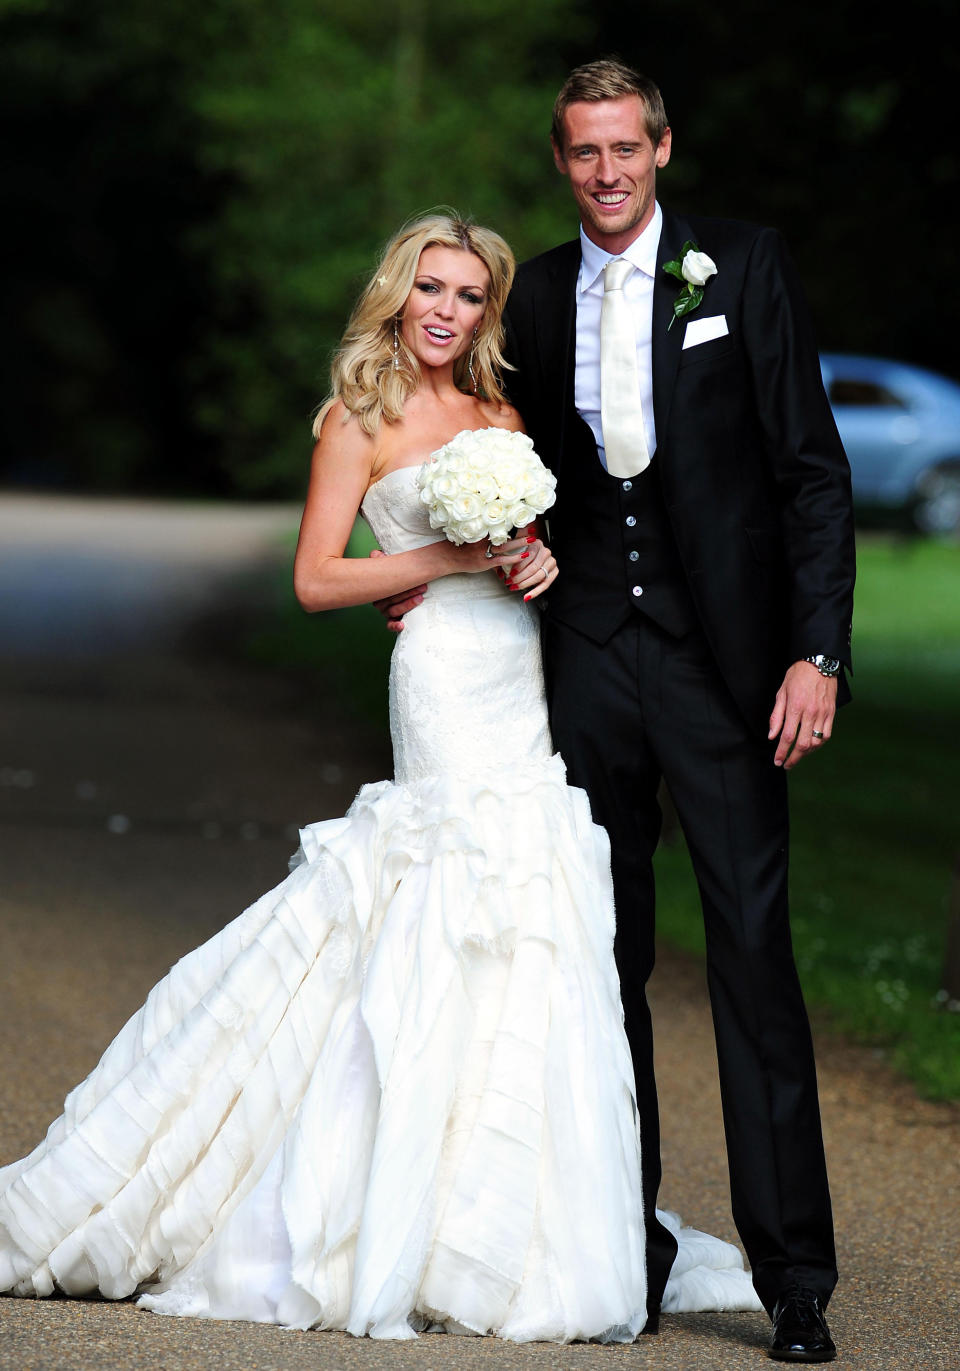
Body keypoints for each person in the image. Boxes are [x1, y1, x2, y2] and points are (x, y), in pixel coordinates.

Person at [0, 213, 764, 1341]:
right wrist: (440, 561)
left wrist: (533, 559)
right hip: (444, 678)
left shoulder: (504, 412)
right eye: (431, 289)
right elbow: (317, 578)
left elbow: (530, 549)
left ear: (486, 308)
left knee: (527, 916)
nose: (447, 311)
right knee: (443, 898)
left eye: (468, 294)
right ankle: (374, 1196)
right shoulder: (356, 419)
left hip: (519, 674)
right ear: (398, 296)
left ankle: (497, 1206)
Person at [502, 60, 856, 1363]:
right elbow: (506, 456)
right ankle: (624, 1246)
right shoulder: (535, 293)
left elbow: (813, 472)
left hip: (726, 670)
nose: (605, 172)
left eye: (624, 149)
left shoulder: (742, 267)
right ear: (563, 160)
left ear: (662, 147)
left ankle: (796, 1276)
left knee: (753, 953)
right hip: (591, 656)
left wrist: (816, 652)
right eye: (583, 152)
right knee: (607, 959)